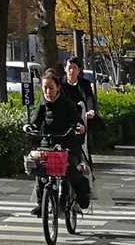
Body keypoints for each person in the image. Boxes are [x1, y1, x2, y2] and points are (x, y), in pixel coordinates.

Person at [29, 69, 90, 206]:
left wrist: (79, 127)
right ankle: (41, 205)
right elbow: (35, 121)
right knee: (40, 169)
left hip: (68, 144)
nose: (48, 92)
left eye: (51, 88)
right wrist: (30, 127)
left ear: (58, 88)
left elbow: (77, 121)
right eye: (45, 88)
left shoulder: (67, 104)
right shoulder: (42, 104)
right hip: (48, 144)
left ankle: (82, 193)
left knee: (68, 168)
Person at [61, 57, 99, 163]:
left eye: (74, 68)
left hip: (81, 117)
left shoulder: (84, 83)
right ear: (65, 69)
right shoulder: (59, 84)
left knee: (83, 143)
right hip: (64, 118)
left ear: (79, 70)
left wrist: (91, 111)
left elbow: (90, 98)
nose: (71, 71)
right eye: (69, 68)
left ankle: (85, 163)